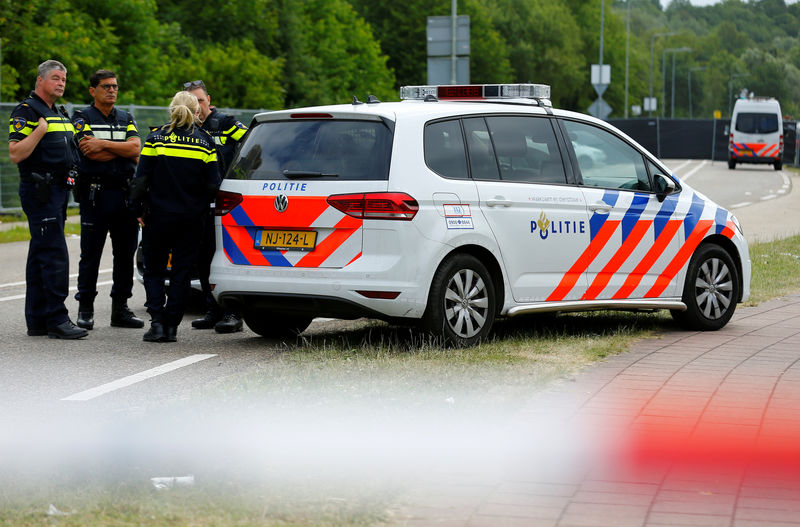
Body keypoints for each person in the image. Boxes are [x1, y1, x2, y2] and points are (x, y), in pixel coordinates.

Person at [129, 91, 221, 343]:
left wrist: (137, 209)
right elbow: (214, 184)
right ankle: (172, 326)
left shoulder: (156, 138)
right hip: (192, 218)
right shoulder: (205, 142)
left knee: (155, 270)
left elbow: (141, 179)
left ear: (172, 110)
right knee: (181, 271)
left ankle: (157, 322)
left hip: (158, 216)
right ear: (197, 111)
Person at [8, 59, 87, 339]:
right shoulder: (27, 111)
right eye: (55, 78)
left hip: (58, 191)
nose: (61, 83)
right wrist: (39, 130)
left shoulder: (59, 112)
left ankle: (38, 319)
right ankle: (57, 319)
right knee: (54, 254)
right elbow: (16, 153)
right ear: (40, 80)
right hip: (41, 191)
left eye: (63, 79)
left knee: (40, 253)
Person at [72, 69, 144, 330]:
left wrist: (103, 145)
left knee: (124, 254)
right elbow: (90, 154)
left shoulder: (126, 117)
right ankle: (86, 308)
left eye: (114, 86)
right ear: (93, 91)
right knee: (90, 253)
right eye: (106, 86)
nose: (112, 90)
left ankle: (120, 309)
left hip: (124, 194)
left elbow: (137, 149)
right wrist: (121, 151)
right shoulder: (81, 117)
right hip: (95, 194)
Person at [183, 80, 247, 334]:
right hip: (199, 203)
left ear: (209, 99)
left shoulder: (227, 124)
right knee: (203, 259)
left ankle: (233, 313)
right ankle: (213, 309)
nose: (196, 106)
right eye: (191, 101)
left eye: (200, 100)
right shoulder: (185, 128)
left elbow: (254, 149)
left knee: (228, 257)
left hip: (227, 204)